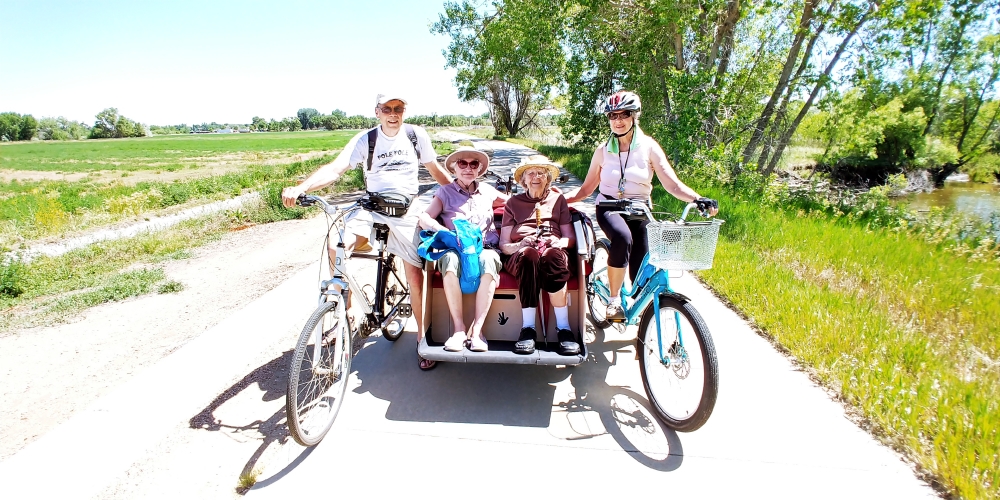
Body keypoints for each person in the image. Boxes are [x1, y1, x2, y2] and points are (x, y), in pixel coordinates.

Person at [282, 93, 452, 371]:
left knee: (415, 275)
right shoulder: (367, 139)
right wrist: (302, 187)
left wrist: (461, 194)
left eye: (399, 108)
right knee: (336, 245)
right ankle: (345, 312)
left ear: (405, 111)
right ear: (377, 111)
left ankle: (422, 339)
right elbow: (335, 169)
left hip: (407, 210)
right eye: (387, 108)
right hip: (372, 208)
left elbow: (435, 170)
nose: (393, 113)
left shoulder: (415, 135)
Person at [564, 90, 718, 321]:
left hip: (640, 210)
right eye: (612, 116)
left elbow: (672, 184)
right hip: (609, 208)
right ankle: (614, 301)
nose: (618, 121)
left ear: (634, 116)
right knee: (622, 237)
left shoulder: (649, 147)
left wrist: (697, 199)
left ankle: (642, 317)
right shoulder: (603, 151)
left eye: (624, 114)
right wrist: (559, 199)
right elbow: (586, 189)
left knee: (642, 268)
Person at [417, 146, 507, 353]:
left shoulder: (487, 190)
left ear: (479, 169)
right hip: (457, 247)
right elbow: (424, 217)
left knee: (489, 259)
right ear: (454, 168)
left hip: (486, 247)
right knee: (449, 260)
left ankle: (477, 332)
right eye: (462, 164)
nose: (468, 168)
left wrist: (551, 197)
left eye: (473, 164)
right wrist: (442, 230)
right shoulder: (445, 192)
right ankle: (458, 329)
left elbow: (516, 202)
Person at [499, 155, 580, 356]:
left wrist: (559, 242)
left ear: (548, 178)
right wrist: (520, 244)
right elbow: (504, 245)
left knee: (552, 256)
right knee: (529, 256)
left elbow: (569, 238)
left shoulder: (557, 199)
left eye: (541, 173)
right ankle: (528, 329)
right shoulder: (513, 203)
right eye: (531, 173)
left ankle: (564, 329)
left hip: (552, 249)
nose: (536, 177)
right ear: (523, 179)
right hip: (521, 252)